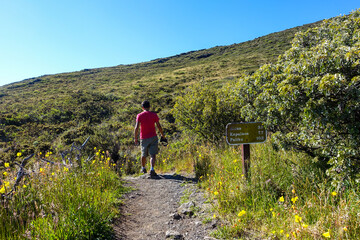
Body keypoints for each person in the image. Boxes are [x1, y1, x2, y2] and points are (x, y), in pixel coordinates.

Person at [134, 100, 166, 177]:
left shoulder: (139, 115)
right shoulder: (154, 115)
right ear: (149, 106)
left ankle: (143, 168)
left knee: (143, 153)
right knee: (153, 155)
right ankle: (152, 169)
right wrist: (162, 135)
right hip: (153, 137)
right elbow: (159, 126)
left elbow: (136, 127)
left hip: (143, 137)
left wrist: (135, 138)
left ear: (142, 107)